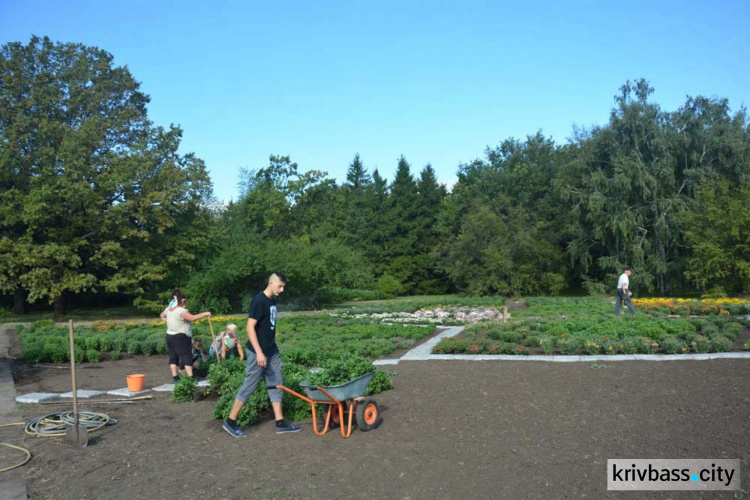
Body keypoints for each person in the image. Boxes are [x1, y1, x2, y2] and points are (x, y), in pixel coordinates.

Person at [222, 272, 302, 437]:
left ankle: (280, 423)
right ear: (271, 283)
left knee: (276, 384)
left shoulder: (272, 300)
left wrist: (268, 349)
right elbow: (249, 327)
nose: (282, 290)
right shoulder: (259, 301)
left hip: (272, 351)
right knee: (249, 386)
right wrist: (259, 353)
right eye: (280, 286)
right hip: (257, 352)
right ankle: (230, 421)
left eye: (283, 287)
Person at [160, 289, 212, 383]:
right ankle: (190, 378)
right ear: (182, 301)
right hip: (181, 337)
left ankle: (175, 378)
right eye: (185, 301)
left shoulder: (169, 309)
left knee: (173, 357)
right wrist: (205, 313)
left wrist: (169, 321)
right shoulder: (181, 311)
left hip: (170, 336)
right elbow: (192, 318)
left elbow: (162, 316)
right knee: (186, 357)